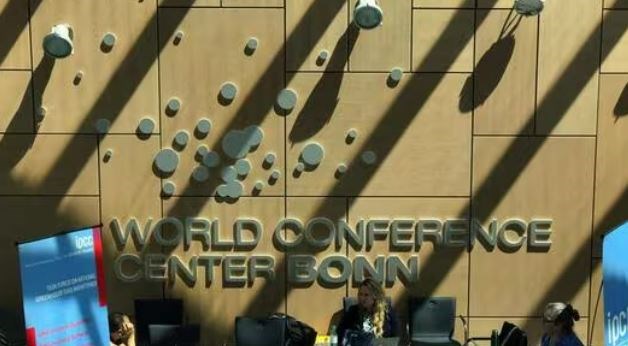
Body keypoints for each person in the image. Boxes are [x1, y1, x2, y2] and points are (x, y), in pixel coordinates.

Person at [337, 278, 398, 345]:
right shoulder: (353, 311)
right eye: (360, 294)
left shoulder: (388, 312)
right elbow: (340, 333)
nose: (362, 298)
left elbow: (397, 336)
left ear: (375, 296)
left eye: (366, 295)